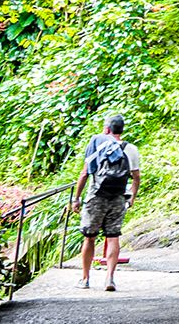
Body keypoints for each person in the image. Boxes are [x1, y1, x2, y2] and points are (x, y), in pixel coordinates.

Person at [70, 114, 141, 291]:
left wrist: (76, 199)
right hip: (118, 197)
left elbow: (85, 173)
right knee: (113, 236)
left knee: (89, 237)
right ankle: (109, 278)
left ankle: (85, 279)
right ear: (121, 129)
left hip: (96, 196)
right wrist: (132, 196)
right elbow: (136, 177)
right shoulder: (130, 148)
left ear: (107, 129)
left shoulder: (97, 143)